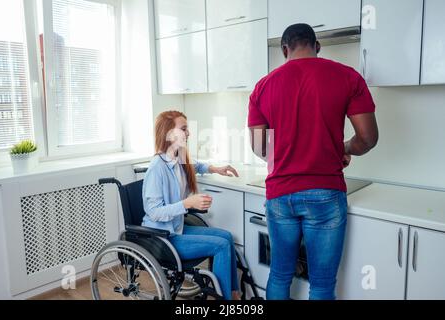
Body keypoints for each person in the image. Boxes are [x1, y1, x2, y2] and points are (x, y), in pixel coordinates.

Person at [248, 24, 379, 300]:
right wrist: (342, 148)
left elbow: (260, 148)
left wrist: (286, 151)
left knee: (280, 275)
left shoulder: (263, 87)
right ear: (317, 46)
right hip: (326, 194)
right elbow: (367, 139)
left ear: (285, 50)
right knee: (321, 283)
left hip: (280, 195)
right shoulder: (347, 77)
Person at [142, 110, 241, 300]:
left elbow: (195, 165)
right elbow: (154, 212)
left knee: (226, 237)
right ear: (169, 133)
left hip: (176, 229)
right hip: (163, 238)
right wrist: (187, 203)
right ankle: (224, 300)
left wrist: (215, 168)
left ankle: (233, 293)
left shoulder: (178, 158)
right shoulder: (157, 168)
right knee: (220, 245)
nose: (188, 133)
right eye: (184, 129)